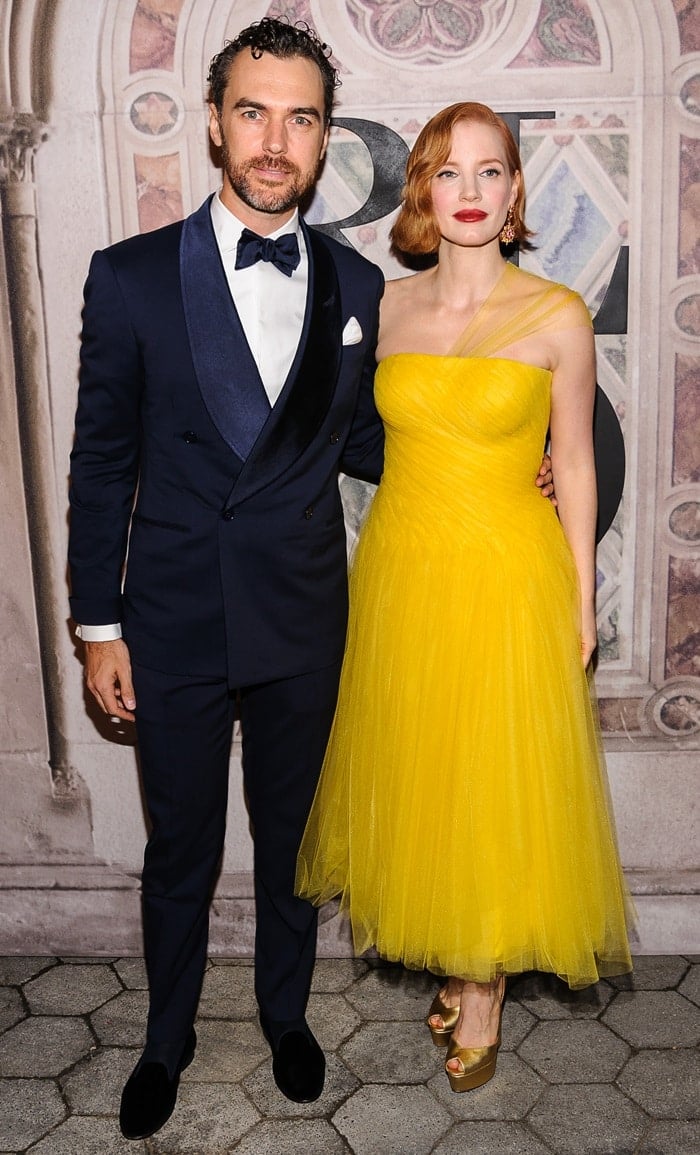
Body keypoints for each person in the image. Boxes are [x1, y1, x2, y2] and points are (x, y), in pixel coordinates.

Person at [67, 17, 386, 1139]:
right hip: (172, 618)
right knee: (182, 848)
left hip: (303, 610)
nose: (273, 137)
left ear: (324, 137)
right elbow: (101, 460)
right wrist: (97, 626)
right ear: (213, 123)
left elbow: (366, 444)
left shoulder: (356, 283)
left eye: (299, 116)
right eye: (252, 110)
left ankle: (286, 1018)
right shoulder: (132, 278)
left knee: (294, 840)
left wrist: (505, 463)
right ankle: (165, 1038)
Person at [296, 101, 633, 1094]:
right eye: (451, 173)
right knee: (430, 772)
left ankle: (480, 993)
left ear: (516, 190)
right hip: (404, 568)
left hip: (507, 571)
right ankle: (454, 962)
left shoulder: (555, 314)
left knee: (490, 773)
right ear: (423, 192)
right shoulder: (387, 311)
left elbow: (571, 464)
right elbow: (348, 436)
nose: (473, 192)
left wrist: (579, 596)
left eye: (492, 173)